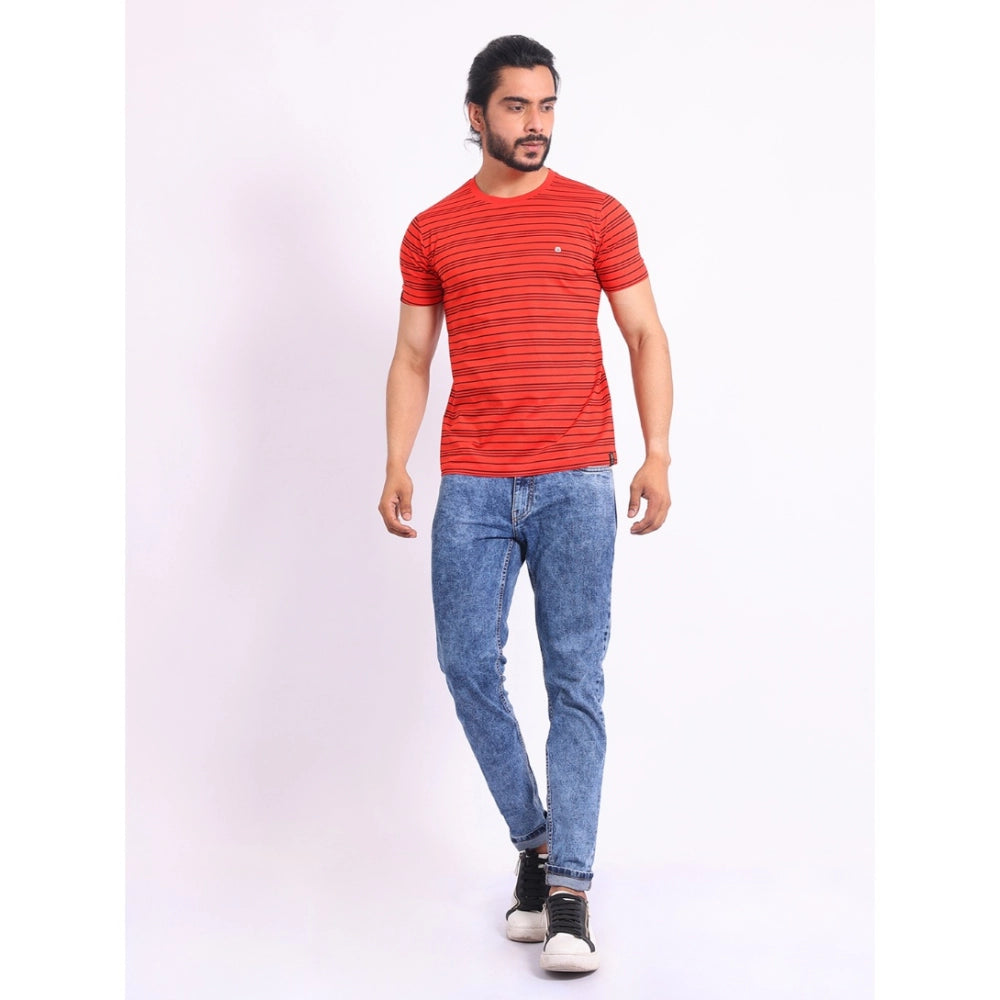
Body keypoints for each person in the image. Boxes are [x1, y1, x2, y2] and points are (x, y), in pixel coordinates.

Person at [377, 34, 673, 974]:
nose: (535, 123)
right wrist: (396, 460)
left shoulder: (597, 215)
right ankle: (537, 844)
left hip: (577, 480)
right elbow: (414, 354)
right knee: (466, 663)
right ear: (477, 116)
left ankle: (570, 893)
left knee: (576, 679)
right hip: (471, 482)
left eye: (546, 105)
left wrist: (657, 453)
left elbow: (644, 334)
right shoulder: (433, 229)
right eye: (516, 106)